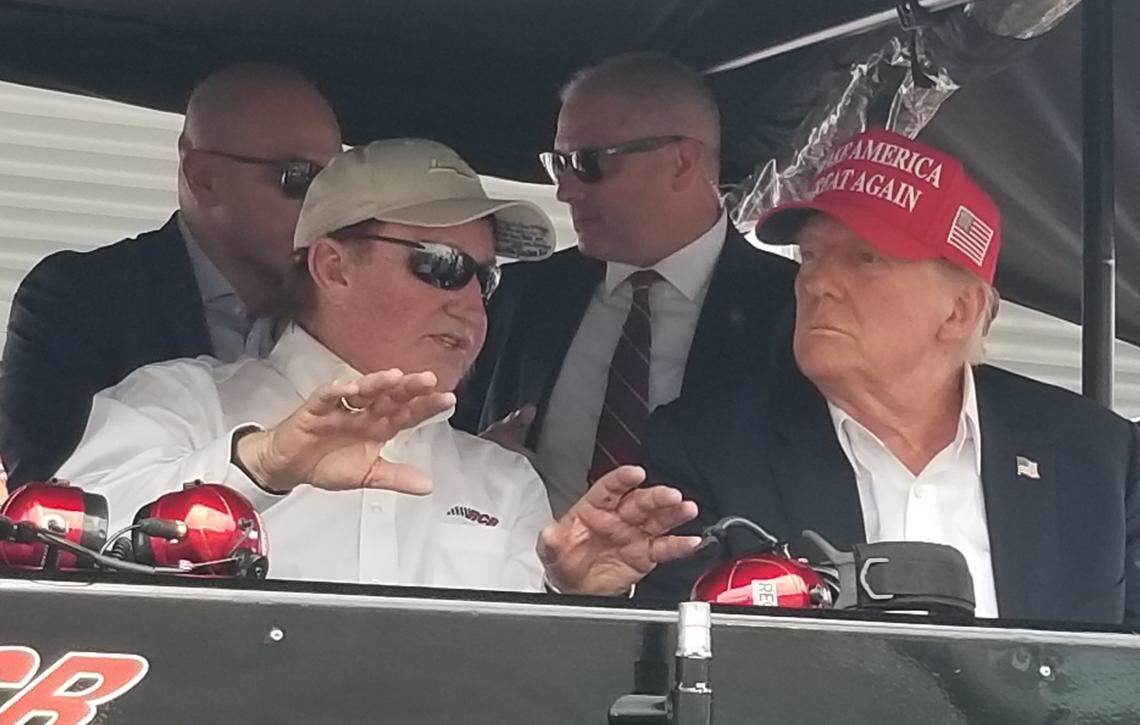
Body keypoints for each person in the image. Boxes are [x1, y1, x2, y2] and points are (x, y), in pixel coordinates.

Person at [57, 139, 700, 594]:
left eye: (485, 278)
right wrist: (261, 465)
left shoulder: (502, 481)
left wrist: (568, 598)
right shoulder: (180, 401)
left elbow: (518, 686)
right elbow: (62, 545)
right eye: (441, 266)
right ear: (332, 267)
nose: (471, 303)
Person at [639, 128, 1140, 625]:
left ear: (960, 312)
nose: (816, 282)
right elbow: (668, 648)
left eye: (866, 258)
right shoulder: (708, 449)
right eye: (810, 255)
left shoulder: (1097, 458)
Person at [456, 51, 797, 517]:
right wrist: (477, 459)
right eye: (558, 164)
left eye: (588, 162)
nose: (565, 190)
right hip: (521, 557)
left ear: (682, 162)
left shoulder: (795, 308)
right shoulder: (520, 295)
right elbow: (453, 433)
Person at [0, 62, 343, 487]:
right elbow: (46, 491)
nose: (330, 205)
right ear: (205, 178)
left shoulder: (348, 302)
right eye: (301, 178)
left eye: (338, 181)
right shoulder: (81, 299)